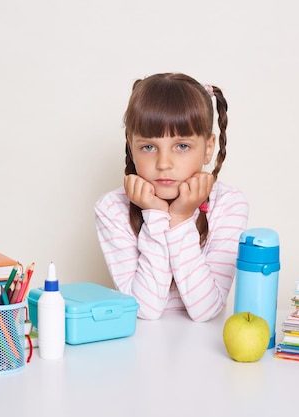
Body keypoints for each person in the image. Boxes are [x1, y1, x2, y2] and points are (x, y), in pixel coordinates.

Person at [94, 72, 249, 322]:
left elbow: (206, 310)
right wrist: (155, 215)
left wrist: (180, 217)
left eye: (182, 146)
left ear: (208, 148)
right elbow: (144, 309)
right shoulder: (112, 208)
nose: (164, 163)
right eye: (148, 147)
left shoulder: (229, 204)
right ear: (131, 146)